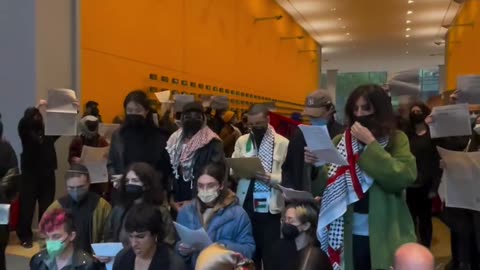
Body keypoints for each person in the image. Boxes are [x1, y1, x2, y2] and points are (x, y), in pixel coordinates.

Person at [305, 84, 417, 270]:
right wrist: (316, 166)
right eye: (355, 108)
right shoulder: (341, 141)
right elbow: (325, 189)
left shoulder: (397, 139)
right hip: (346, 233)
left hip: (385, 231)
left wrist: (371, 144)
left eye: (366, 108)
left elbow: (403, 177)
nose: (360, 113)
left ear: (379, 110)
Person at [232, 104, 289, 270]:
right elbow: (233, 168)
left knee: (270, 255)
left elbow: (288, 178)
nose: (254, 128)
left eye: (258, 124)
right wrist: (238, 170)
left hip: (271, 210)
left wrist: (271, 178)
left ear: (268, 120)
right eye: (251, 124)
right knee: (249, 255)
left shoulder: (282, 143)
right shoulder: (242, 141)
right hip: (246, 205)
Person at [176, 162, 255, 269]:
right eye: (200, 185)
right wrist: (182, 250)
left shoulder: (237, 214)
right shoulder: (187, 212)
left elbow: (249, 250)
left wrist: (222, 247)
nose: (205, 190)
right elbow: (175, 248)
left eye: (210, 185)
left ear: (221, 185)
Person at [282, 90, 344, 193]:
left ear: (330, 109)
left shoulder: (341, 135)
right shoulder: (300, 135)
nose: (313, 119)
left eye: (316, 116)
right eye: (310, 116)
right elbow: (289, 171)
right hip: (302, 201)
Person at [166, 102, 224, 212]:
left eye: (197, 116)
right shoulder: (174, 140)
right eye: (188, 116)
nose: (192, 119)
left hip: (203, 197)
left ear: (203, 119)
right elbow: (170, 171)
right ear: (182, 118)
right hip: (178, 196)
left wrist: (196, 201)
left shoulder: (212, 142)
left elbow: (217, 174)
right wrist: (171, 198)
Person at [108, 90, 172, 189]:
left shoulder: (159, 136)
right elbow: (111, 163)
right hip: (124, 190)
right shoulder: (118, 135)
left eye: (138, 111)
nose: (133, 113)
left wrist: (151, 181)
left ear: (146, 111)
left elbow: (165, 167)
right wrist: (116, 179)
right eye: (129, 110)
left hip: (151, 191)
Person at [103, 162, 176, 248]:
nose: (129, 184)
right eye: (127, 181)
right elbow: (108, 236)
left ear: (147, 184)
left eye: (135, 180)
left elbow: (169, 241)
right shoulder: (119, 209)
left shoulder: (160, 212)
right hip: (120, 257)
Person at [17, 107, 60, 248]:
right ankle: (25, 235)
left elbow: (62, 127)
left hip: (47, 174)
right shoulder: (25, 132)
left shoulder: (48, 133)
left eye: (39, 116)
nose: (37, 118)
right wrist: (38, 106)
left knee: (47, 206)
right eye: (34, 116)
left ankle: (45, 234)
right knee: (27, 207)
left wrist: (72, 112)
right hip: (30, 175)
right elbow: (24, 123)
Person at [43, 164, 111, 254]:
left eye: (80, 187)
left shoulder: (102, 206)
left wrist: (102, 253)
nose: (75, 191)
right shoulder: (57, 207)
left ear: (89, 183)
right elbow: (44, 235)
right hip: (64, 259)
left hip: (93, 260)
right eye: (71, 188)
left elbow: (109, 235)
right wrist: (54, 254)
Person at [406, 102, 441, 248]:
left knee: (425, 219)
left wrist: (435, 186)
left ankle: (425, 247)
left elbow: (436, 161)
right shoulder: (407, 134)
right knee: (410, 219)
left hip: (426, 185)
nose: (415, 113)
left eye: (418, 111)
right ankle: (412, 248)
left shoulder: (433, 135)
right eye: (413, 111)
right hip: (410, 184)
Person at [113, 203, 186, 270]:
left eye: (140, 237)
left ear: (155, 235)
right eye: (130, 236)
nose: (133, 244)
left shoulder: (173, 264)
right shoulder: (122, 258)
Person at [30, 209, 103, 270]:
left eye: (56, 236)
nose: (50, 242)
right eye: (47, 237)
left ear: (71, 236)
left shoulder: (88, 265)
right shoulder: (38, 260)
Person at [272, 202, 332, 270]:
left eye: (290, 219)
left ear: (306, 226)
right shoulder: (278, 248)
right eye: (284, 219)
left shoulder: (315, 252)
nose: (286, 222)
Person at [69, 115, 109, 197]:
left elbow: (107, 153)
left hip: (97, 179)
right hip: (81, 176)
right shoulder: (77, 140)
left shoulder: (101, 140)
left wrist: (106, 157)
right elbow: (70, 157)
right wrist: (75, 159)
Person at [0, 114, 18, 270]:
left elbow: (13, 174)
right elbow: (13, 174)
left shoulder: (6, 148)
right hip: (2, 202)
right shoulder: (7, 148)